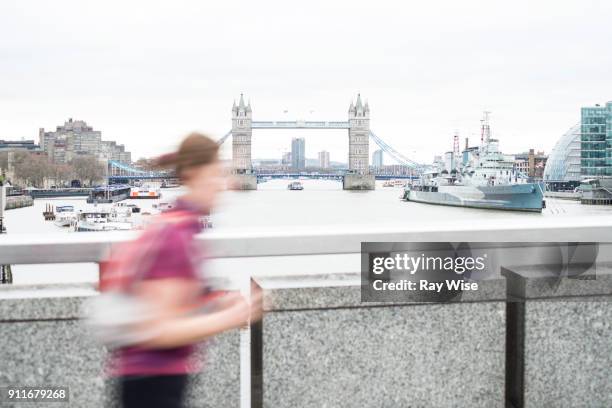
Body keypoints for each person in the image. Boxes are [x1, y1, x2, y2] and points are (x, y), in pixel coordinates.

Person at [103, 133, 262, 408]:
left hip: (154, 379)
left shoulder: (179, 227)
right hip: (151, 384)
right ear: (193, 173)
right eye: (217, 173)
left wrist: (215, 303)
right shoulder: (175, 237)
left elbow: (171, 305)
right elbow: (159, 330)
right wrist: (232, 316)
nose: (224, 185)